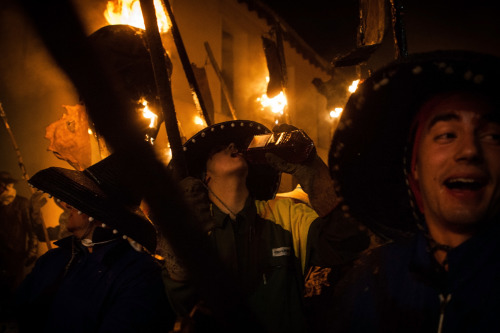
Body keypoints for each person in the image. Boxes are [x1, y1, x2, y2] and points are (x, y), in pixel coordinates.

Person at [324, 50, 500, 332]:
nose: (469, 151)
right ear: (414, 166)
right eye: (446, 135)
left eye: (492, 136)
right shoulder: (372, 280)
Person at [162, 120, 371, 333]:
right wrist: (176, 239)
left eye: (234, 145)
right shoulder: (196, 228)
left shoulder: (286, 214)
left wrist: (314, 170)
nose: (233, 147)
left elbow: (347, 240)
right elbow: (180, 305)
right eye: (219, 149)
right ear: (205, 177)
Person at [14, 154, 176, 332]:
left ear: (99, 212)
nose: (66, 204)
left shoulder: (140, 273)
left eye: (78, 200)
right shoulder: (53, 259)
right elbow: (18, 313)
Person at [0, 171, 52, 329]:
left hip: (18, 253)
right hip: (2, 254)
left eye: (5, 184)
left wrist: (32, 251)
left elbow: (31, 231)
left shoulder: (22, 203)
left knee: (16, 287)